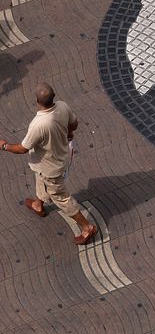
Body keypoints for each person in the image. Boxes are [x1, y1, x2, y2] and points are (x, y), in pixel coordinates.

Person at [0, 83, 97, 245]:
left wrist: (4, 146)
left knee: (62, 198)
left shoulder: (39, 124)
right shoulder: (62, 106)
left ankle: (87, 227)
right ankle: (39, 204)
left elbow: (23, 148)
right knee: (41, 182)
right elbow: (74, 124)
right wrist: (69, 132)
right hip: (60, 157)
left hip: (50, 169)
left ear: (37, 100)